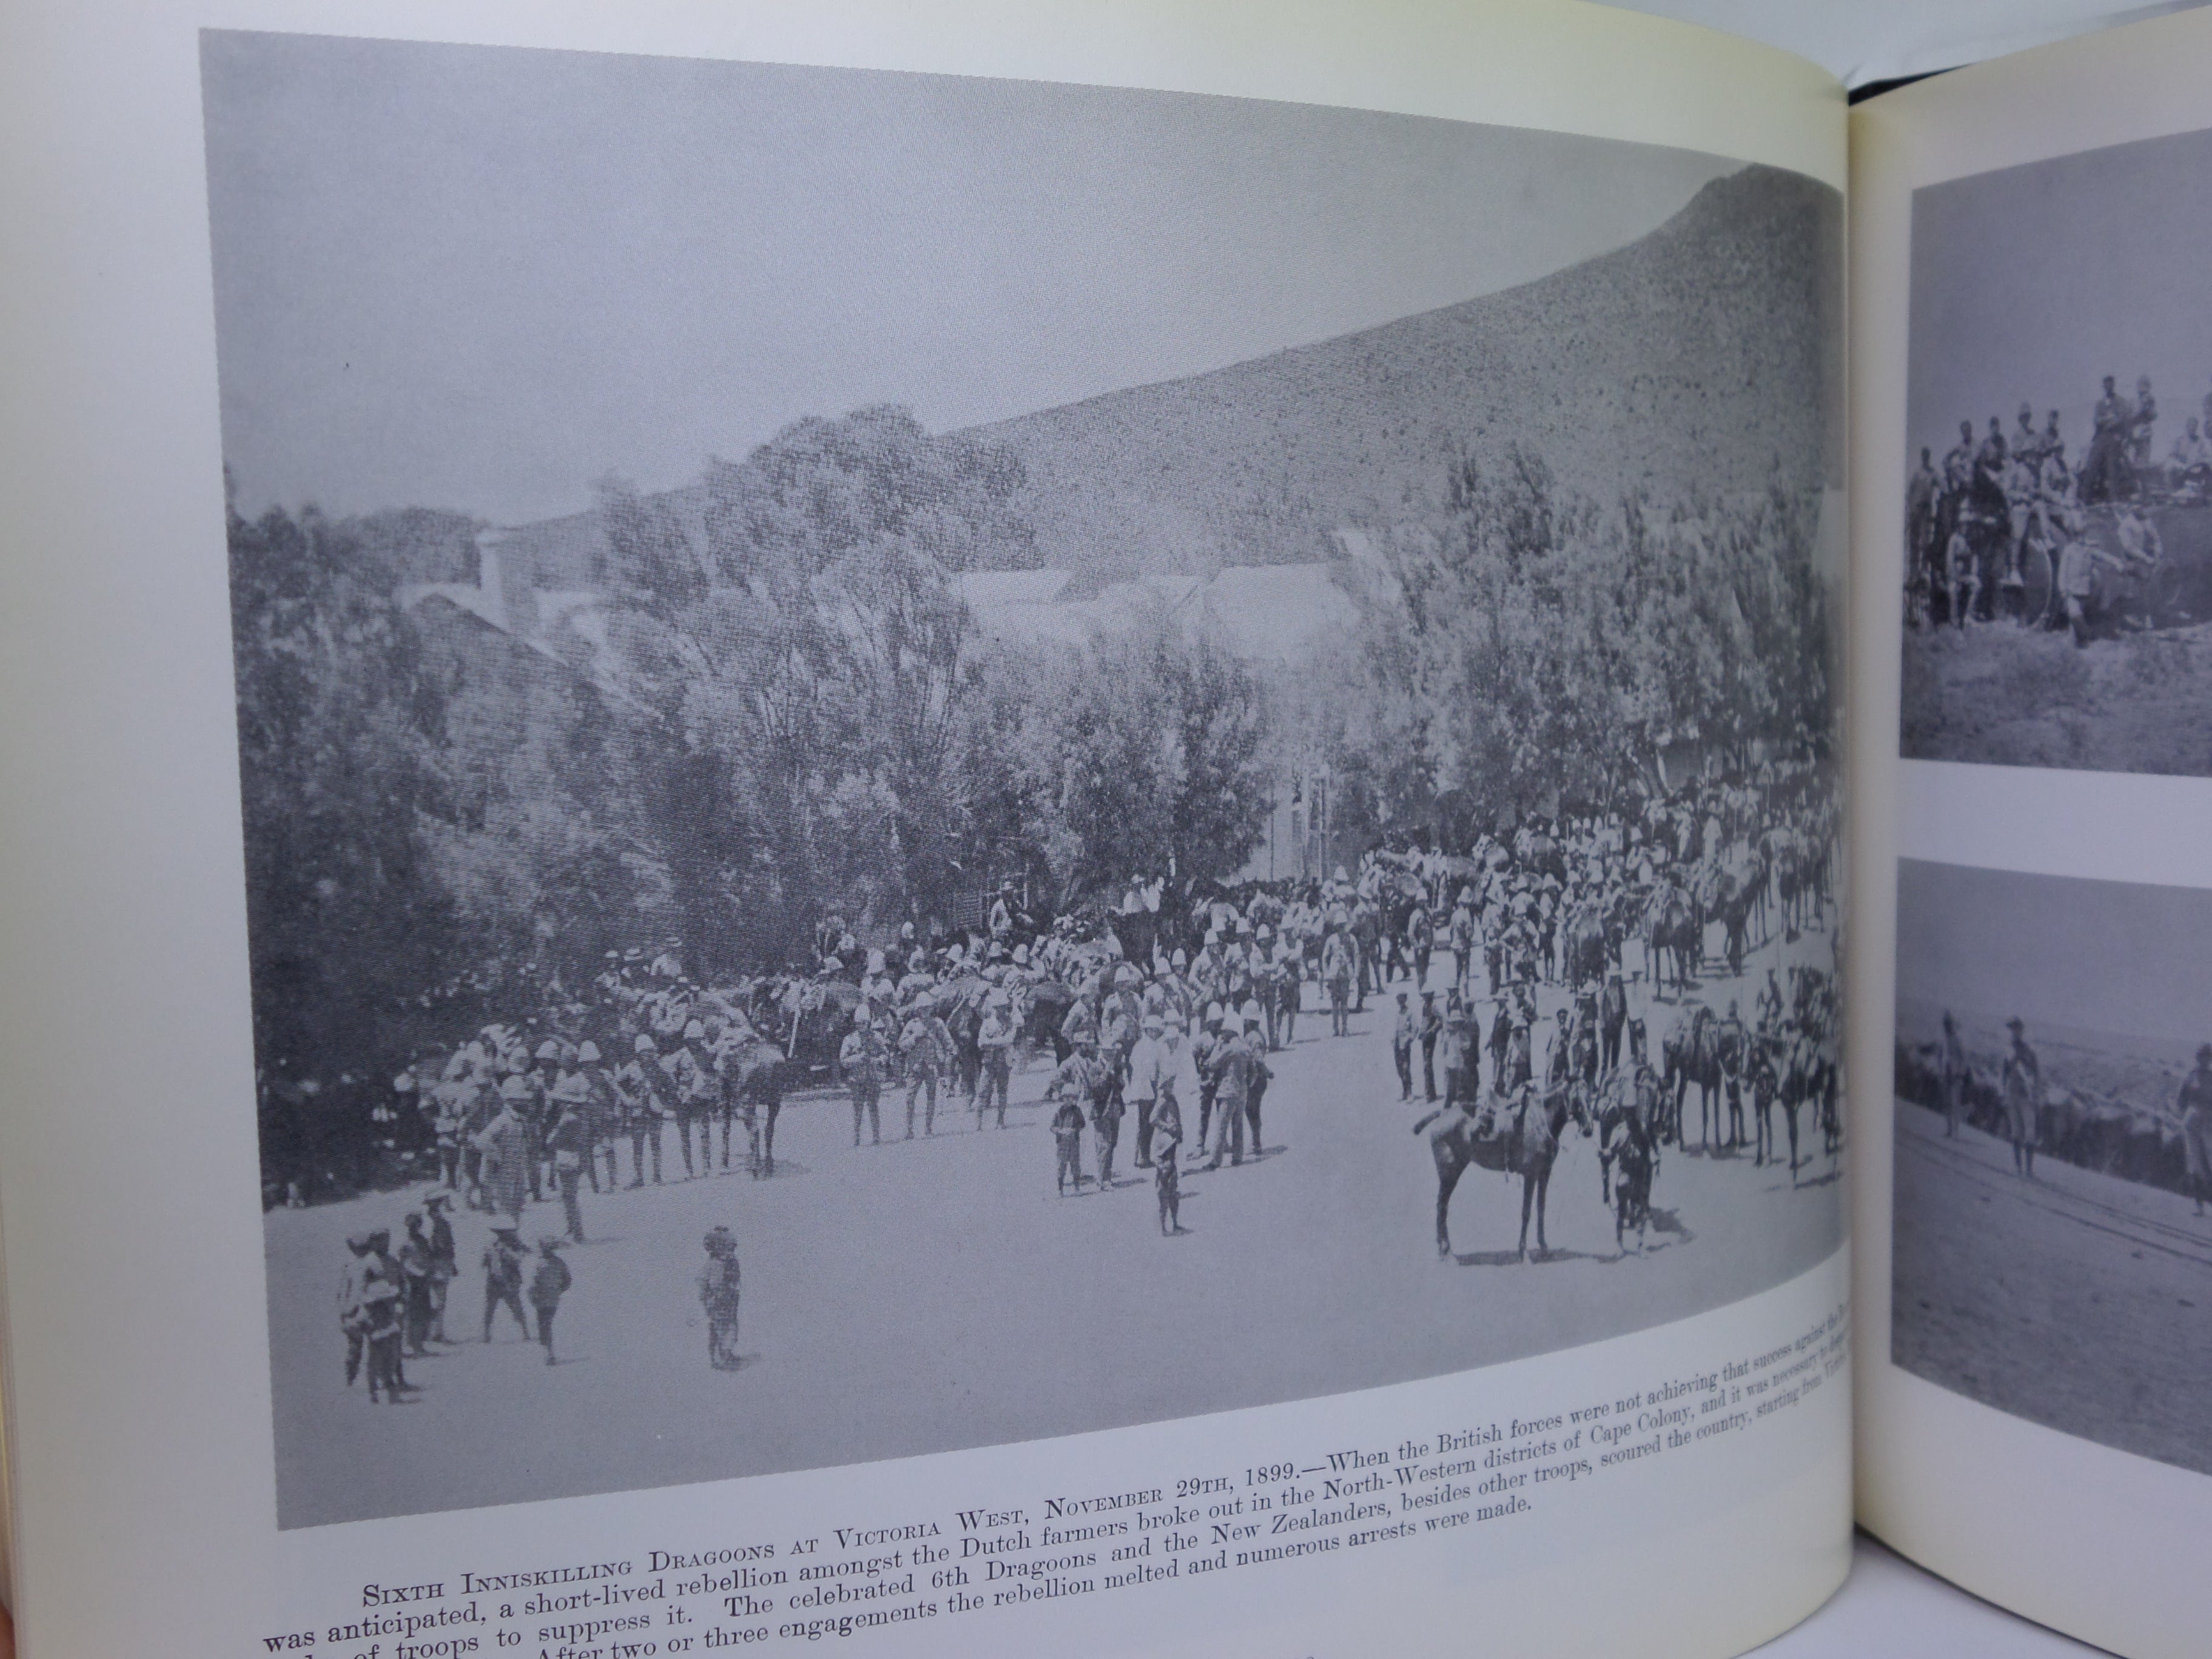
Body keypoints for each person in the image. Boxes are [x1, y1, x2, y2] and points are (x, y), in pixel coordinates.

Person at [472, 1076, 532, 1223]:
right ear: (511, 1102)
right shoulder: (502, 1121)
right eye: (521, 1100)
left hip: (517, 1170)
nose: (526, 1103)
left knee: (516, 1208)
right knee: (506, 1210)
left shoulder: (519, 1120)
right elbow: (481, 1141)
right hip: (504, 1172)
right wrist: (499, 1157)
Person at [545, 1094, 592, 1243]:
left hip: (567, 1158)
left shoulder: (568, 1119)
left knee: (569, 1198)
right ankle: (575, 1230)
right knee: (571, 1196)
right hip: (579, 1158)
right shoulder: (583, 1118)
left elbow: (551, 1141)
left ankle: (575, 1231)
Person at [2000, 1016, 2042, 1178]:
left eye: (2016, 1029)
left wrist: (2036, 1094)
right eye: (2012, 1030)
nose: (2014, 1032)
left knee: (2030, 1134)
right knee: (2016, 1132)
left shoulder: (2029, 1052)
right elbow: (2004, 1072)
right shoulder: (2008, 1051)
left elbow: (2036, 1073)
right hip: (2012, 1094)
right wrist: (2003, 1092)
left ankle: (2029, 1170)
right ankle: (2018, 1168)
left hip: (2026, 1096)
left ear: (2021, 1031)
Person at [699, 1225, 743, 1369]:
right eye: (726, 1249)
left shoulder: (731, 1263)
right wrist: (708, 1296)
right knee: (718, 1328)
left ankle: (727, 1353)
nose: (729, 1253)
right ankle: (717, 1358)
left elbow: (735, 1281)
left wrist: (734, 1290)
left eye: (731, 1249)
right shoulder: (713, 1265)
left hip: (729, 1300)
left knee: (730, 1327)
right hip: (717, 1301)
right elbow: (703, 1282)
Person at [840, 1015, 886, 1147]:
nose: (861, 1026)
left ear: (868, 1023)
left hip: (873, 1078)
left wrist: (877, 1061)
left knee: (874, 1108)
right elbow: (843, 1060)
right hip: (856, 1079)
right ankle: (856, 1139)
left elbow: (885, 1054)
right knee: (857, 1110)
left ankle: (876, 1138)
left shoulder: (876, 1037)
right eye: (858, 1024)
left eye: (864, 1023)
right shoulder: (849, 1039)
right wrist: (859, 1058)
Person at [481, 1220, 530, 1342]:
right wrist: (488, 1255)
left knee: (516, 1307)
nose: (501, 1236)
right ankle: (486, 1335)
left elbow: (520, 1258)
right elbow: (484, 1263)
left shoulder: (516, 1245)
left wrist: (507, 1251)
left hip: (509, 1281)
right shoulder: (493, 1245)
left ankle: (526, 1332)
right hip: (494, 1280)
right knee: (490, 1309)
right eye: (499, 1233)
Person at [974, 991, 1016, 1130]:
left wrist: (991, 1043)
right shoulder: (987, 1023)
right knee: (982, 1091)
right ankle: (978, 1124)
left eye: (1004, 1007)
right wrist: (998, 1043)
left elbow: (1009, 1041)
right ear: (994, 1008)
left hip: (1004, 1061)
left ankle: (1000, 1121)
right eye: (999, 1007)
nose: (1002, 1010)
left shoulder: (1010, 1023)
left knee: (1002, 1091)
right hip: (989, 1062)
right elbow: (981, 1043)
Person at [2179, 1045, 2212, 1217]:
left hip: (2209, 1123)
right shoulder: (2191, 1077)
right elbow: (2182, 1099)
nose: (2205, 1060)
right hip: (2192, 1122)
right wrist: (2185, 1114)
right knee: (2195, 1163)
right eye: (2203, 1057)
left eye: (2208, 1057)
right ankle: (2199, 1205)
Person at [529, 1236, 572, 1366]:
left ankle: (548, 1352)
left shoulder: (540, 1264)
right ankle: (547, 1351)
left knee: (544, 1324)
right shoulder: (560, 1263)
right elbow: (568, 1281)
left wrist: (533, 1295)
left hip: (542, 1298)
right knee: (545, 1324)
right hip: (553, 1298)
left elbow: (534, 1282)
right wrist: (559, 1291)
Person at [338, 1231, 373, 1389]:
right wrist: (344, 1312)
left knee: (361, 1347)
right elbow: (343, 1291)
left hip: (362, 1310)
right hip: (358, 1311)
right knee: (357, 1347)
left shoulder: (358, 1264)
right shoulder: (353, 1266)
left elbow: (342, 1293)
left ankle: (357, 1379)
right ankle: (352, 1379)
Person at [423, 1192, 457, 1342]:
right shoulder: (429, 1222)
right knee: (435, 1300)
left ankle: (436, 1332)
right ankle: (432, 1333)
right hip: (434, 1262)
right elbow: (432, 1245)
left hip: (443, 1262)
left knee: (439, 1299)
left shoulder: (439, 1220)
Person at [1939, 1010, 1969, 1138]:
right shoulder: (1943, 1039)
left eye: (1949, 1024)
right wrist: (1940, 1070)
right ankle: (1949, 1129)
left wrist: (1961, 1074)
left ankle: (1956, 1131)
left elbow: (1964, 1058)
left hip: (1956, 1075)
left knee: (1955, 1103)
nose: (1946, 1026)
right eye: (1945, 1024)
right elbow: (1941, 1056)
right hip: (1946, 1074)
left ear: (1952, 1024)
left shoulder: (1958, 1039)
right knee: (1947, 1103)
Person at [1390, 990, 1415, 1101]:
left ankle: (1409, 1091)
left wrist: (1410, 1038)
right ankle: (1404, 1089)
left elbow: (1415, 1029)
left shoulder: (1409, 1013)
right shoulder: (1397, 1013)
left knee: (1406, 1067)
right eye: (1398, 1000)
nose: (1400, 1002)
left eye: (1401, 999)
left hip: (1405, 1043)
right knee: (1399, 1067)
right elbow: (1396, 1027)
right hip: (1397, 1042)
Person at [1417, 989, 1441, 1102]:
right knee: (1426, 1065)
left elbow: (1440, 1021)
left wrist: (1432, 1030)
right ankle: (1429, 1092)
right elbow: (1424, 1021)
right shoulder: (1425, 1007)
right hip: (1425, 1037)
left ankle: (1430, 1094)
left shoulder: (1433, 1007)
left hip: (1430, 1037)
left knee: (1428, 1064)